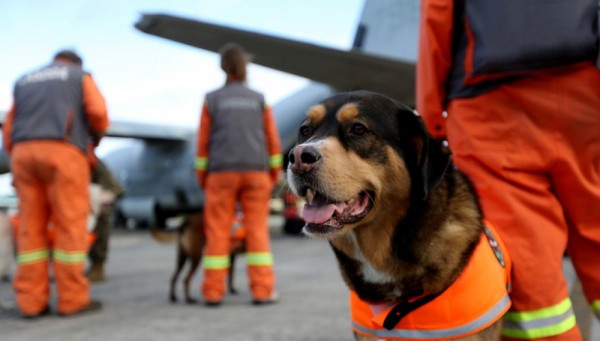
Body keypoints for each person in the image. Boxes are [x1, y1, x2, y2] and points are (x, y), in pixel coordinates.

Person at [417, 1, 600, 340]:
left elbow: (437, 13)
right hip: (587, 89)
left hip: (490, 105)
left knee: (526, 253)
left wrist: (431, 121)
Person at [2, 49, 109, 318]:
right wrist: (93, 139)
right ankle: (72, 300)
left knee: (30, 229)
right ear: (76, 62)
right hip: (64, 152)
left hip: (23, 155)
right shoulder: (80, 76)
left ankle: (30, 302)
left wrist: (16, 153)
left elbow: (9, 126)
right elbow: (98, 113)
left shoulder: (25, 80)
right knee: (70, 226)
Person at [195, 43, 282, 306]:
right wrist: (273, 173)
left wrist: (203, 177)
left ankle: (212, 292)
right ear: (246, 67)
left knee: (218, 232)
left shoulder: (212, 99)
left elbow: (203, 144)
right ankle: (263, 290)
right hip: (256, 173)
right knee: (257, 231)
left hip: (220, 174)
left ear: (222, 67)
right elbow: (272, 141)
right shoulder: (259, 99)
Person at [86, 158, 125, 283]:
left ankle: (98, 267)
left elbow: (112, 188)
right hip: (86, 196)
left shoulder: (91, 160)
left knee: (100, 225)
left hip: (98, 196)